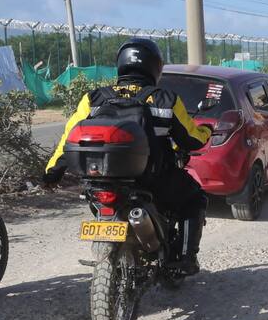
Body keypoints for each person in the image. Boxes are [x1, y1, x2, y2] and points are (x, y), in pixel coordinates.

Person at [44, 37, 212, 275]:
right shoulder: (165, 99)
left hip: (102, 179)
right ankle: (185, 258)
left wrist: (52, 173)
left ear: (121, 64)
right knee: (194, 198)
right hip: (154, 180)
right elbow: (191, 139)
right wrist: (207, 131)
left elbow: (68, 139)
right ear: (155, 67)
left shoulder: (94, 98)